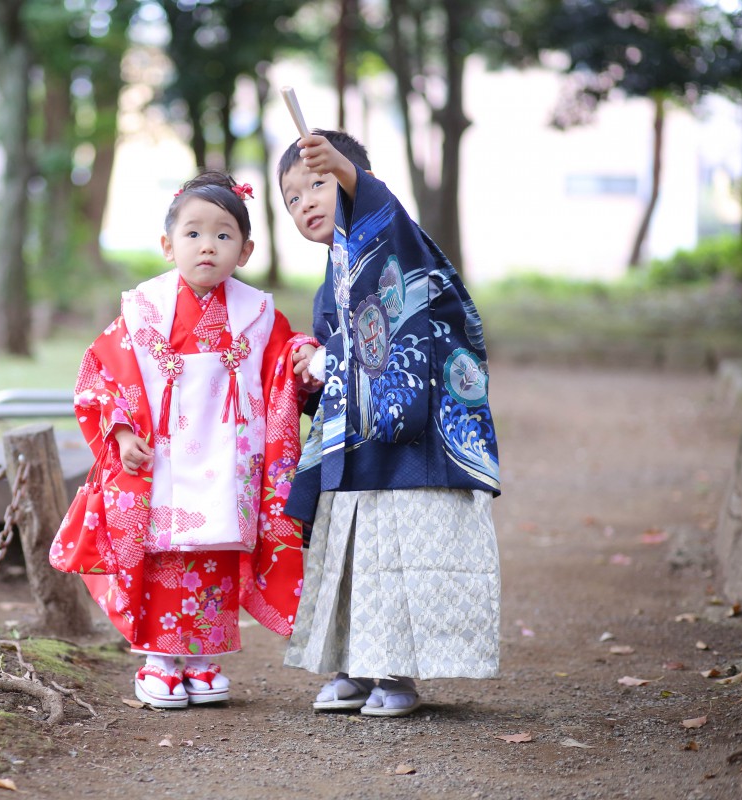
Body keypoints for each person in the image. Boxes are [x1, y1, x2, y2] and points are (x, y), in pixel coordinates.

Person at [50, 170, 320, 709]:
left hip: (229, 459)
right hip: (164, 456)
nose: (207, 246)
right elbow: (104, 373)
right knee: (163, 552)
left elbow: (280, 366)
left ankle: (202, 659)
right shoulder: (143, 310)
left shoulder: (259, 314)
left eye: (223, 236)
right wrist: (122, 431)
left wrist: (302, 353)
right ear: (167, 244)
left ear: (244, 251)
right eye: (193, 233)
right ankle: (158, 659)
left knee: (216, 550)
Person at [276, 129, 502, 717]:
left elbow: (387, 318)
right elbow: (340, 343)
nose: (306, 204)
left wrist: (348, 173)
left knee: (398, 552)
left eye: (319, 183)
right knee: (351, 551)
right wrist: (315, 363)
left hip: (408, 436)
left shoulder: (393, 235)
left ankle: (397, 674)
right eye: (293, 199)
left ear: (355, 181)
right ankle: (353, 668)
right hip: (354, 443)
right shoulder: (335, 269)